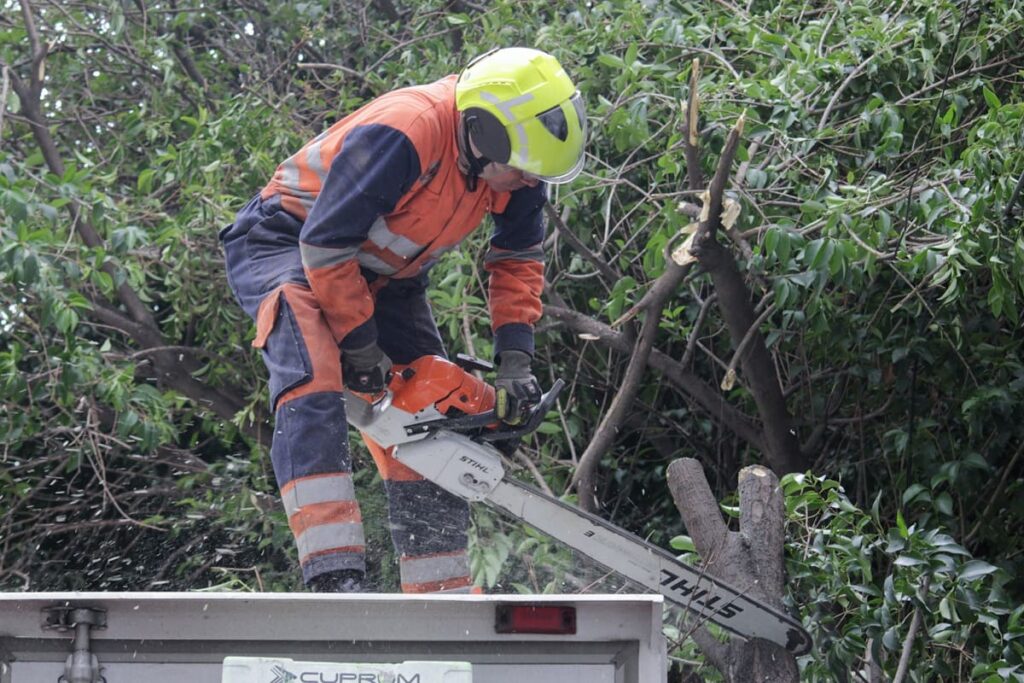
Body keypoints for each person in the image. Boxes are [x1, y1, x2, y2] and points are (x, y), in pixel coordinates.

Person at [219, 47, 586, 593]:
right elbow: (324, 244)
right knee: (314, 373)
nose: (528, 182)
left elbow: (517, 261)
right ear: (482, 133)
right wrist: (361, 349)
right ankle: (334, 573)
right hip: (287, 244)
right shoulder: (405, 132)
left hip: (382, 276)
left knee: (429, 405)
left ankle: (439, 587)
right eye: (522, 170)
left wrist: (515, 360)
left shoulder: (519, 172)